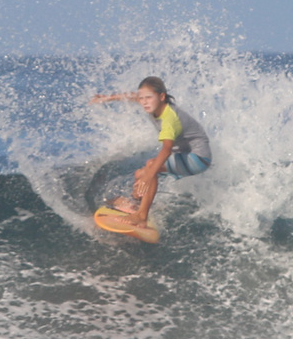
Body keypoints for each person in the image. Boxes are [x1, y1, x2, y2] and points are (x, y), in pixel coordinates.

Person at [90, 76, 212, 227]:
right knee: (140, 174)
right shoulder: (153, 105)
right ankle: (136, 206)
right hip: (185, 155)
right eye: (142, 98)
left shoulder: (169, 119)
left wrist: (149, 175)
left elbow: (166, 150)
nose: (144, 102)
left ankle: (141, 216)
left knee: (151, 167)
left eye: (149, 98)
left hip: (198, 158)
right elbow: (134, 97)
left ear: (161, 97)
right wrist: (108, 98)